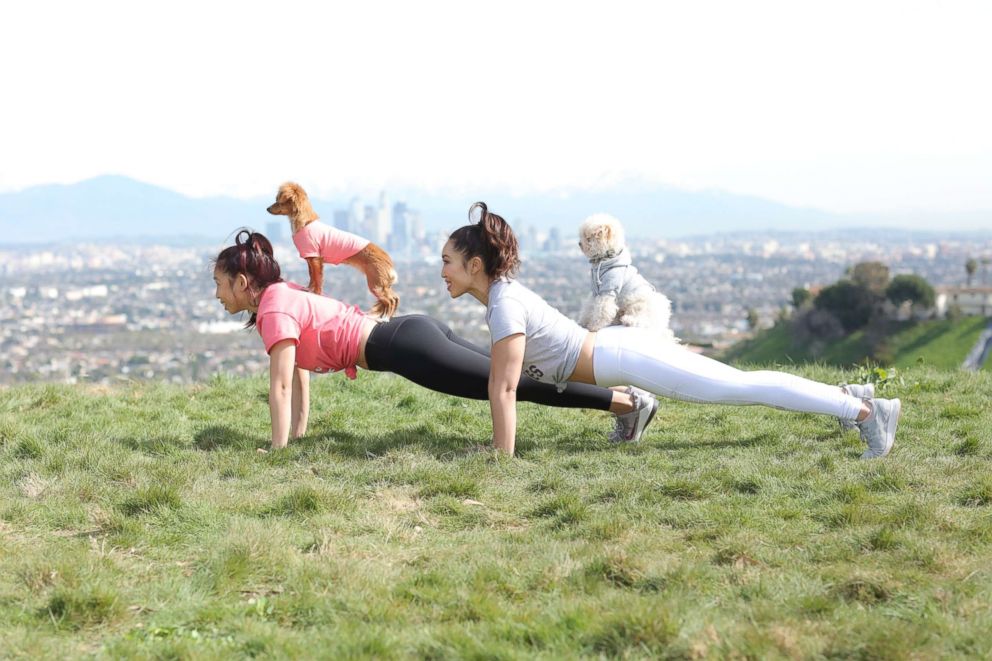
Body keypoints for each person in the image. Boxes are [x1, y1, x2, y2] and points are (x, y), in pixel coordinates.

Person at [441, 202, 901, 459]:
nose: (442, 271)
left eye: (448, 262)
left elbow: (503, 389)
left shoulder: (504, 305)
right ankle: (850, 396)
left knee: (741, 387)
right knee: (740, 384)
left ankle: (864, 413)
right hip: (617, 352)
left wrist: (501, 460)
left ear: (474, 265)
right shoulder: (505, 295)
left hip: (625, 356)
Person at [212, 230, 658, 451]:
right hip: (410, 333)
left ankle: (628, 403)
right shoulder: (281, 296)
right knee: (512, 379)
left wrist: (277, 450)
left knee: (511, 385)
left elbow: (282, 385)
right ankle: (626, 400)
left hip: (406, 349)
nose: (217, 294)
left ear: (243, 281)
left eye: (220, 283)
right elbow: (298, 375)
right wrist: (295, 436)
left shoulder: (273, 308)